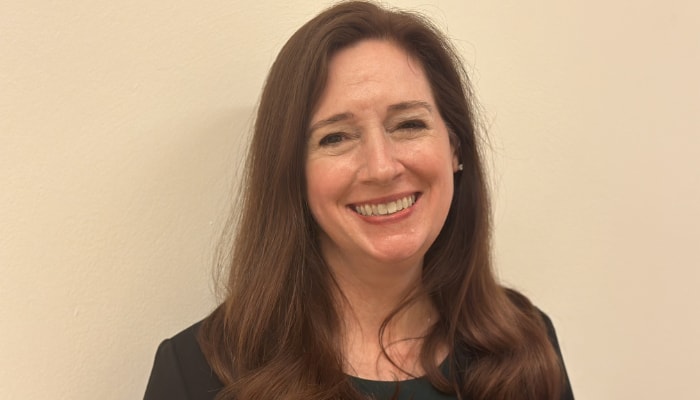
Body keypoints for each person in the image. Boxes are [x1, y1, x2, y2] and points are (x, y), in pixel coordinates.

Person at [144, 1, 574, 399]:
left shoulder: (526, 345)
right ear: (293, 174)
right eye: (336, 137)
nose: (382, 167)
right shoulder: (197, 374)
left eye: (408, 124)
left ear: (455, 148)